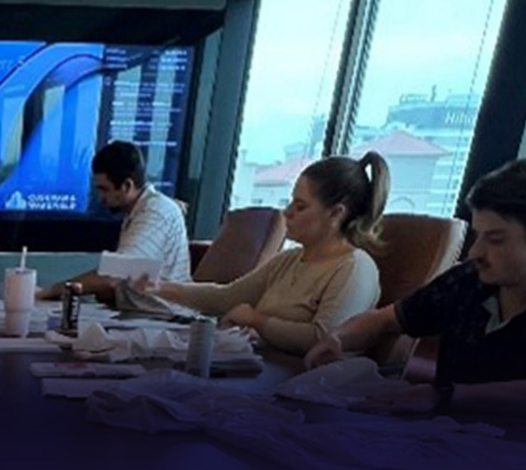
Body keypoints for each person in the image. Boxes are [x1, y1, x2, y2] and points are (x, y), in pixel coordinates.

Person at [305, 158, 526, 419]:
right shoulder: (468, 280)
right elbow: (386, 320)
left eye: (495, 239)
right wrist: (339, 338)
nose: (476, 252)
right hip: (447, 435)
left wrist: (440, 396)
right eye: (477, 236)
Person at [143, 152, 390, 356]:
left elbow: (323, 339)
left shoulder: (355, 268)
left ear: (336, 213)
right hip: (262, 367)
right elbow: (227, 297)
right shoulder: (289, 260)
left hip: (306, 384)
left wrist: (256, 320)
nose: (288, 212)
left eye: (300, 206)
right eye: (291, 202)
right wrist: (160, 288)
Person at [43, 141, 191, 300]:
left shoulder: (154, 213)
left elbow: (115, 274)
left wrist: (53, 291)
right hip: (144, 314)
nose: (101, 199)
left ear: (127, 185)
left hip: (163, 318)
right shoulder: (141, 209)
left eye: (104, 189)